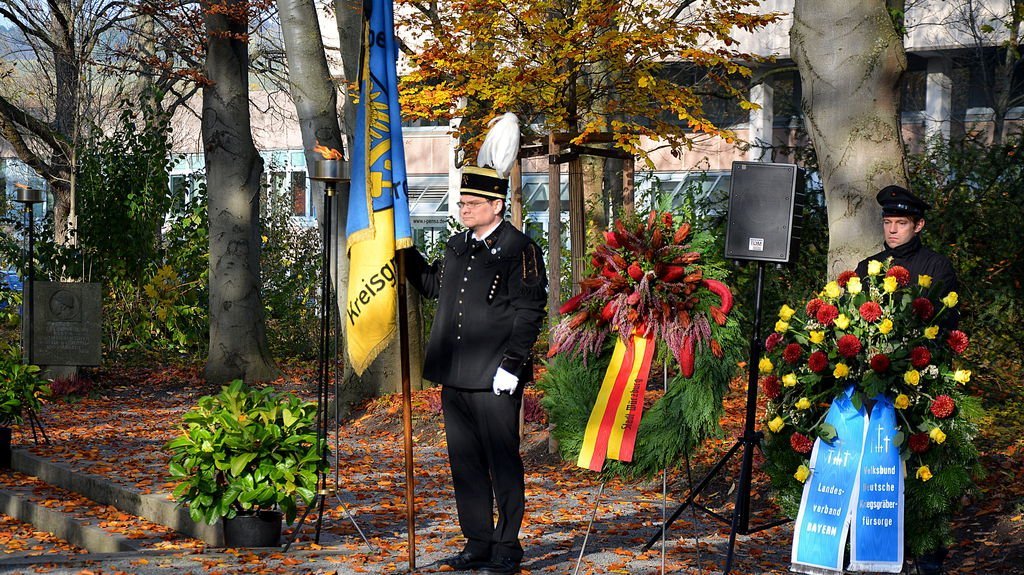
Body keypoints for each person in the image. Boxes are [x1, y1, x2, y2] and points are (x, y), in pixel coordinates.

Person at [405, 165, 547, 575]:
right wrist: (402, 248)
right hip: (456, 375)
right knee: (465, 464)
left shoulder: (520, 248)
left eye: (471, 203)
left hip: (495, 377)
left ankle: (507, 548)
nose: (463, 209)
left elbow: (529, 311)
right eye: (461, 203)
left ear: (496, 205)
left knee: (503, 463)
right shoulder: (457, 246)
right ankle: (478, 542)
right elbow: (432, 286)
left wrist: (512, 365)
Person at [854, 184, 959, 326]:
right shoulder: (867, 267)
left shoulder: (937, 266)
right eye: (887, 222)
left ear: (918, 225)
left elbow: (945, 321)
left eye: (901, 223)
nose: (892, 230)